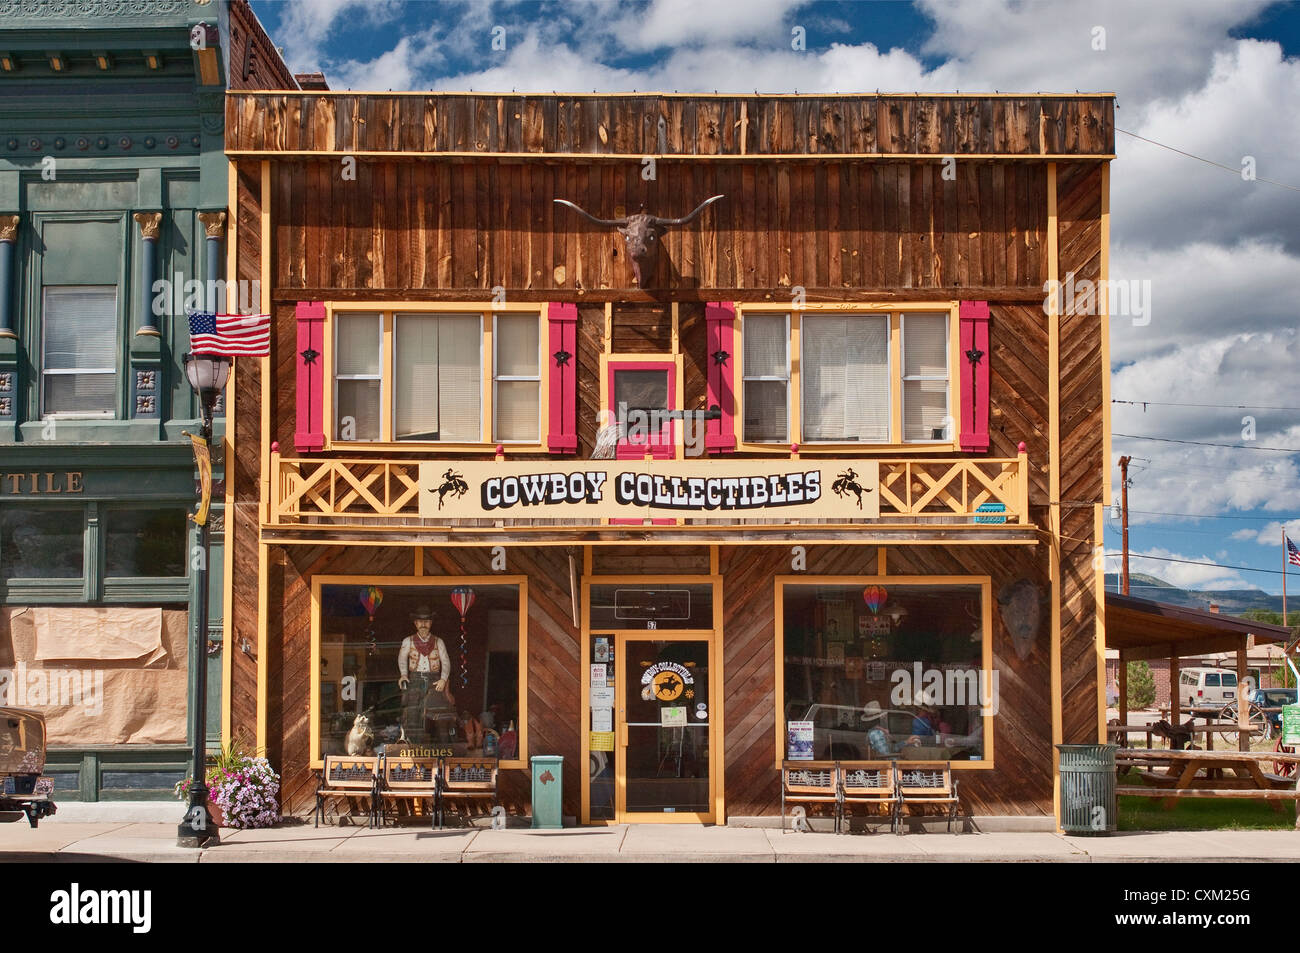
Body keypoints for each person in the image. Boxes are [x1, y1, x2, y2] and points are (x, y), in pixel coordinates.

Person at [397, 605, 452, 742]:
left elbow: (445, 662)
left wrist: (443, 679)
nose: (423, 624)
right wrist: (404, 675)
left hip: (434, 680)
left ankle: (444, 748)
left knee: (441, 715)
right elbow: (402, 659)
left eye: (426, 621)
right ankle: (414, 746)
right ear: (415, 623)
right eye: (420, 621)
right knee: (413, 714)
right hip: (415, 679)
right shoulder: (407, 641)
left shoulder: (438, 642)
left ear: (431, 623)